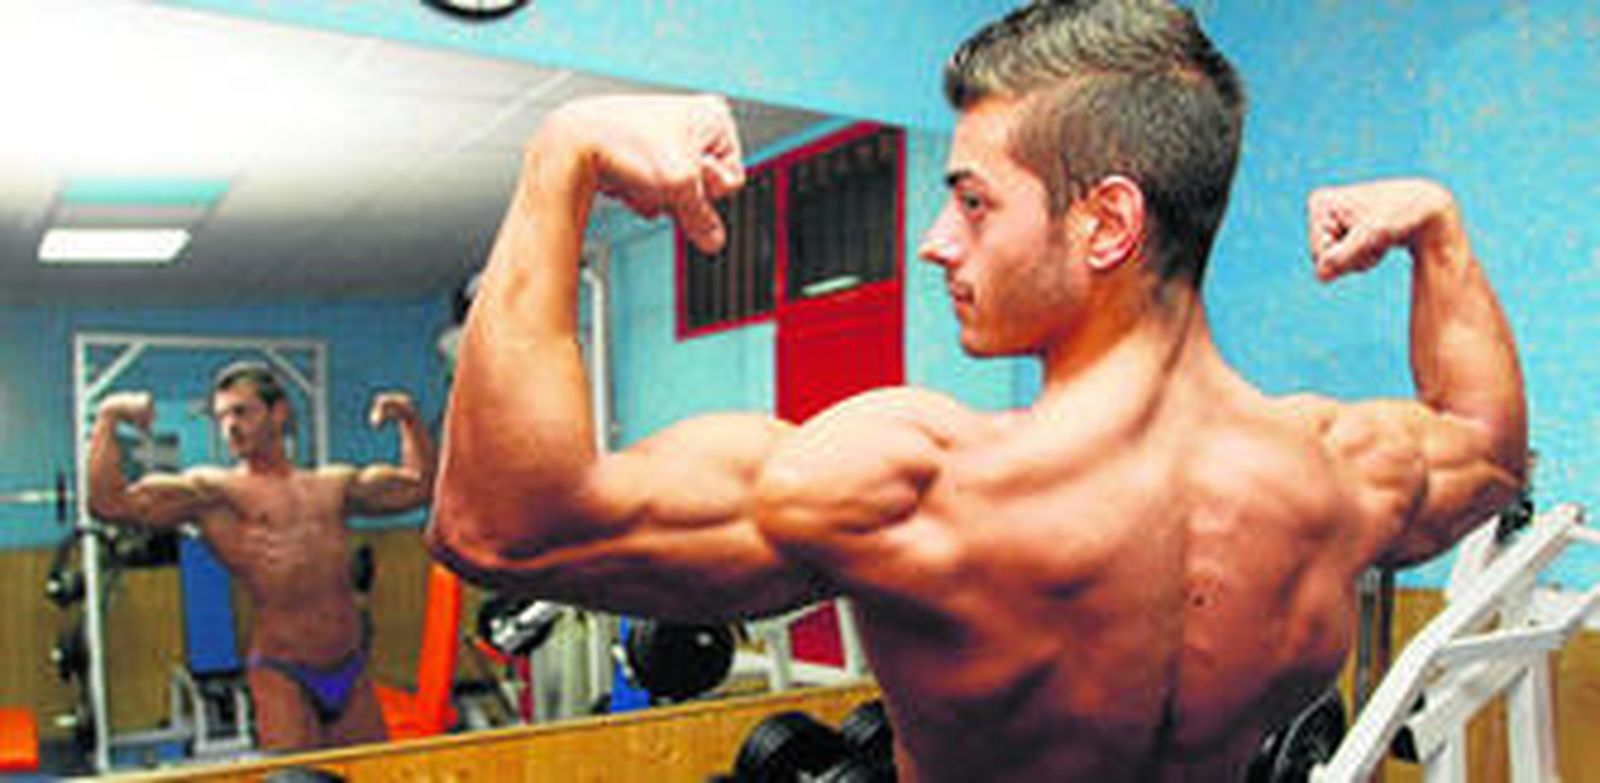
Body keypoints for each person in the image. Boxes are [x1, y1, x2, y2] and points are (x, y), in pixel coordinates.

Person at [426, 0, 1527, 778]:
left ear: (1106, 223)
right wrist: (1438, 231)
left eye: (974, 202)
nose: (936, 243)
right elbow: (1485, 456)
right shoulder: (1335, 470)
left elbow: (500, 528)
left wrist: (559, 161)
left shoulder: (914, 485)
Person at [89, 362, 436, 752]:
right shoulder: (215, 492)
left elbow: (418, 487)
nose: (229, 426)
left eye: (241, 412)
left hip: (350, 667)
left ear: (279, 412)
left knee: (375, 775)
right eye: (222, 416)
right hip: (284, 672)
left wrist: (408, 417)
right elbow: (110, 504)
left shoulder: (332, 485)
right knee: (295, 779)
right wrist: (108, 418)